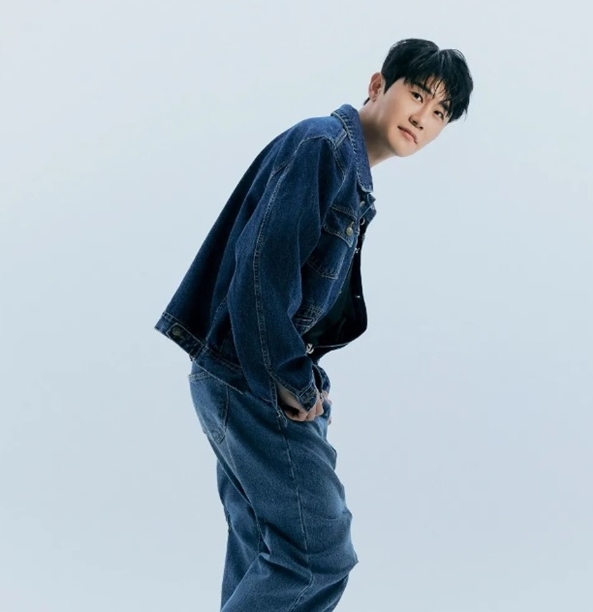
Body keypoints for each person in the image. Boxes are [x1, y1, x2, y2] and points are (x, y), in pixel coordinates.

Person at [154, 38, 473, 611]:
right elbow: (261, 273)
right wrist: (293, 382)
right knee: (317, 555)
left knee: (266, 549)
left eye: (440, 113)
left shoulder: (348, 172)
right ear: (378, 85)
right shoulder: (323, 147)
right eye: (418, 95)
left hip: (241, 375)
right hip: (250, 378)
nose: (423, 117)